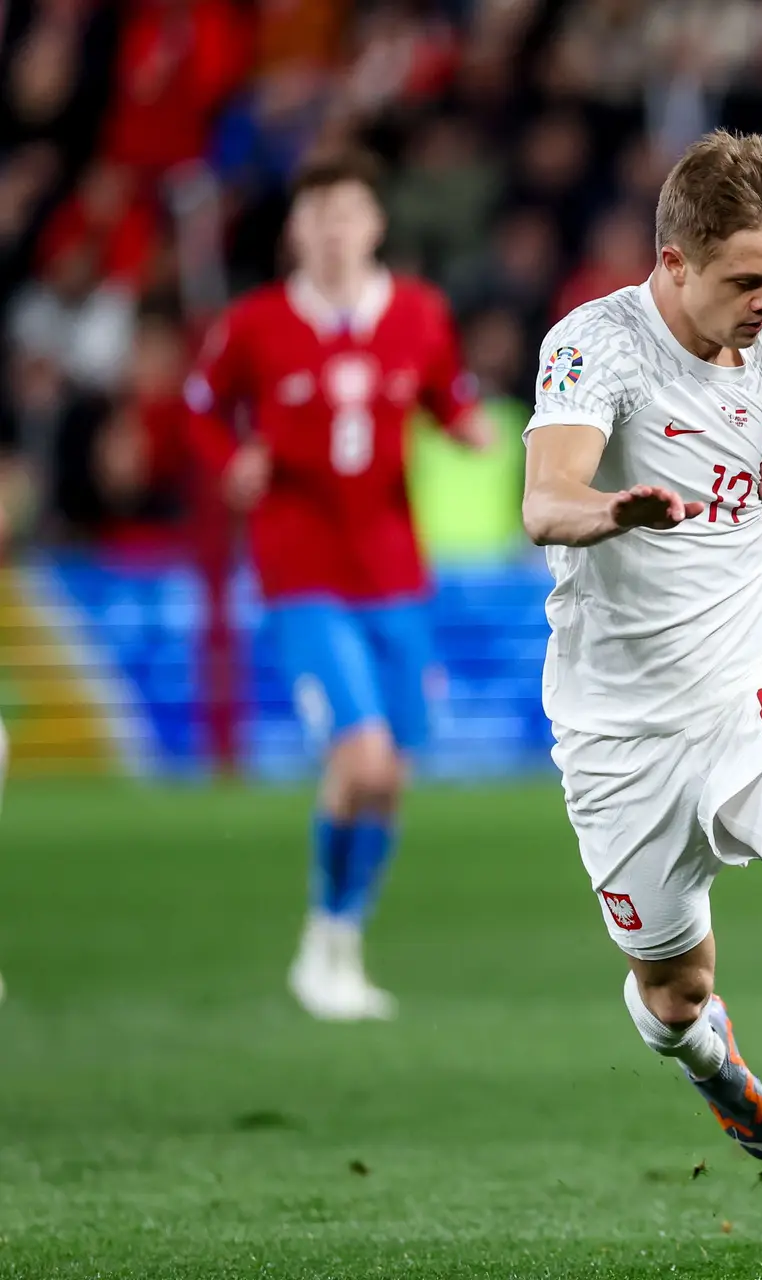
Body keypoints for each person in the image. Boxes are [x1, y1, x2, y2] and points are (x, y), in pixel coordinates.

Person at [519, 131, 762, 1256]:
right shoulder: (597, 347)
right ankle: (713, 1062)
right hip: (621, 728)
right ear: (676, 262)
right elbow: (546, 500)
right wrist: (611, 512)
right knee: (675, 988)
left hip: (750, 671)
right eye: (744, 278)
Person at [184, 152, 490, 1021]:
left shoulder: (421, 316)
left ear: (375, 225)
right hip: (300, 567)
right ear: (295, 230)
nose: (333, 231)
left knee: (390, 775)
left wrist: (470, 430)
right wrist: (231, 460)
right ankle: (324, 939)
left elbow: (446, 398)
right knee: (357, 756)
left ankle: (340, 941)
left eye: (348, 213)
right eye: (317, 216)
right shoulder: (255, 324)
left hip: (394, 567)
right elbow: (199, 407)